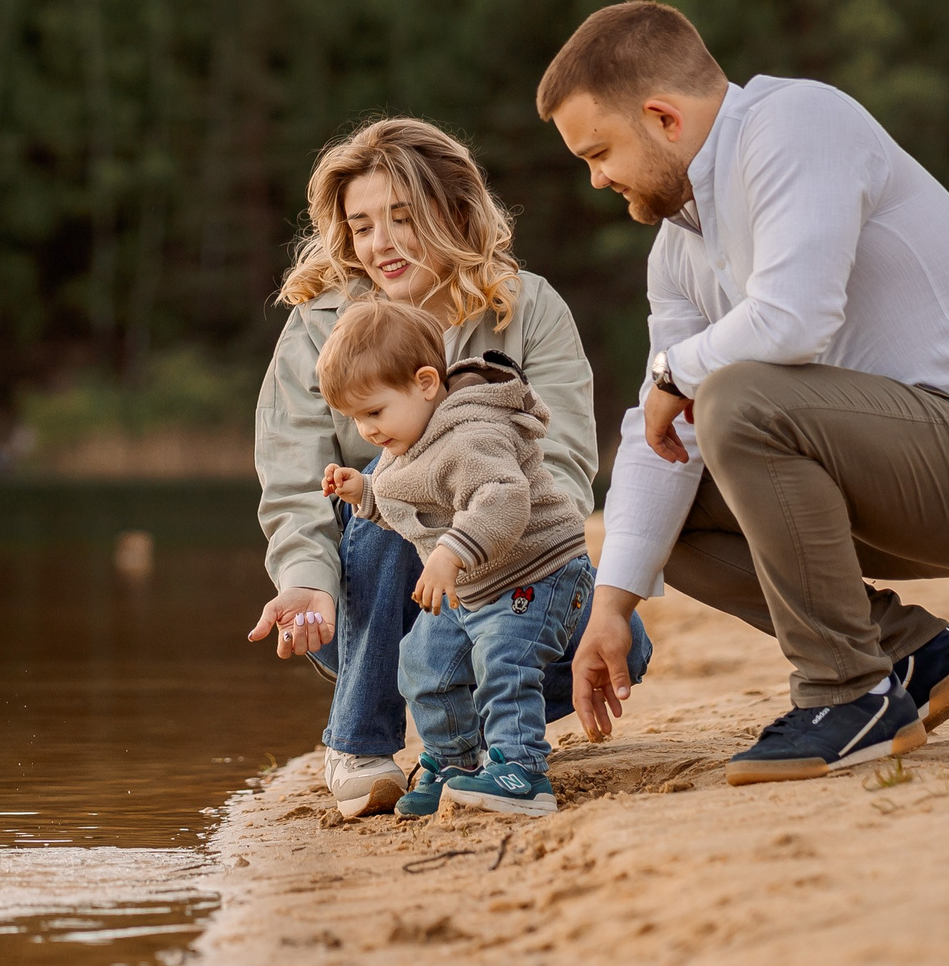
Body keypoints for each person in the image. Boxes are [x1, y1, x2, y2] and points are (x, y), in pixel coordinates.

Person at [537, 0, 949, 785]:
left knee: (735, 400)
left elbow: (792, 320)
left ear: (661, 117)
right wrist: (611, 607)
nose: (595, 178)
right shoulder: (675, 250)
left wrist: (673, 372)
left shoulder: (795, 123)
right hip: (896, 478)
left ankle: (846, 693)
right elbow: (663, 436)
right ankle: (908, 656)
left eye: (598, 151)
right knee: (661, 517)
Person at [248, 117, 651, 817]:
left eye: (402, 217)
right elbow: (293, 479)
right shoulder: (318, 323)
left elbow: (558, 469)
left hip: (510, 577)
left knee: (627, 643)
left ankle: (472, 743)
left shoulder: (528, 308)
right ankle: (360, 742)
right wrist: (305, 581)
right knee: (394, 489)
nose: (381, 243)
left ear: (455, 210)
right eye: (362, 225)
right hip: (368, 609)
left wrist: (479, 568)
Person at [316, 299, 592, 817]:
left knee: (504, 662)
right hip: (475, 584)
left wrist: (451, 551)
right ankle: (454, 761)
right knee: (422, 662)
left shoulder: (472, 433)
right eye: (355, 419)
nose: (367, 430)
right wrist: (365, 495)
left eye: (374, 412)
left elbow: (503, 499)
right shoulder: (410, 441)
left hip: (536, 573)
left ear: (425, 383)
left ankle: (522, 771)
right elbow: (416, 501)